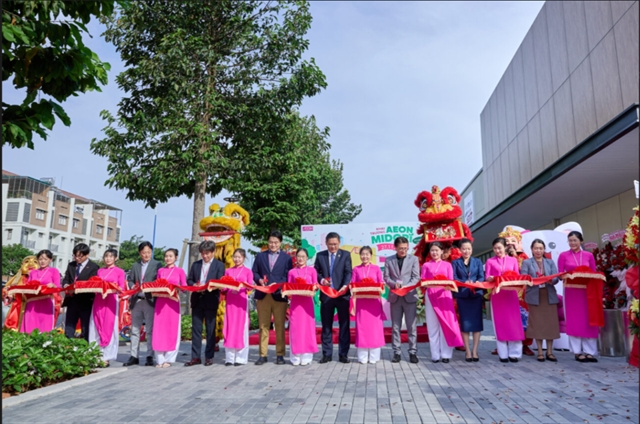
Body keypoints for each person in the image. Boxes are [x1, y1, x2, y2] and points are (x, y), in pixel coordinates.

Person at [252, 231, 293, 365]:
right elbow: (254, 272)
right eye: (271, 242)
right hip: (263, 295)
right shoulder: (260, 256)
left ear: (280, 243)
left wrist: (277, 283)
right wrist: (259, 280)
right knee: (263, 326)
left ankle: (280, 355)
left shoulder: (286, 258)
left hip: (278, 295)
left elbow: (288, 275)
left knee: (280, 326)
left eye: (276, 242)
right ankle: (262, 355)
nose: (273, 244)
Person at [557, 231, 599, 363]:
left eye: (575, 240)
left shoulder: (589, 255)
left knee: (588, 319)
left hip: (587, 291)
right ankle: (577, 352)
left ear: (581, 241)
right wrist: (565, 275)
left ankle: (590, 352)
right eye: (570, 240)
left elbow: (594, 273)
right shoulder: (563, 255)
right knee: (575, 320)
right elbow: (560, 274)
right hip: (571, 291)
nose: (572, 243)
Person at [314, 232, 353, 363]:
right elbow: (316, 272)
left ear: (339, 243)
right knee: (326, 326)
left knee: (344, 325)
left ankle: (343, 354)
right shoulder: (320, 256)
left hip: (342, 295)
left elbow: (348, 272)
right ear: (326, 243)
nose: (333, 247)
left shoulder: (345, 255)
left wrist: (345, 286)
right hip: (326, 295)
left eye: (335, 244)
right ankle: (327, 354)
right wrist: (322, 280)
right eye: (330, 244)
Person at [421, 242, 463, 363]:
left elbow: (451, 281)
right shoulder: (426, 265)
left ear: (441, 251)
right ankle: (435, 355)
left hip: (444, 296)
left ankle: (446, 354)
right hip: (431, 295)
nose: (434, 253)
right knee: (432, 325)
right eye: (432, 250)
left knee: (445, 324)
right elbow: (423, 282)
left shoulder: (447, 265)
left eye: (436, 250)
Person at [186, 240, 225, 366]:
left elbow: (220, 282)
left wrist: (208, 286)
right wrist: (194, 285)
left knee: (210, 329)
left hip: (211, 299)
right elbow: (189, 280)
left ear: (213, 252)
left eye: (207, 253)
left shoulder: (219, 265)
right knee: (196, 330)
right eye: (203, 253)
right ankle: (195, 357)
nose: (205, 256)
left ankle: (209, 356)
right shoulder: (196, 264)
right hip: (197, 299)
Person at [521, 239, 560, 362]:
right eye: (536, 248)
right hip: (534, 295)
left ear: (544, 250)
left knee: (550, 324)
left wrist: (550, 280)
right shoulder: (527, 262)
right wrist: (536, 280)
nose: (538, 251)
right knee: (537, 324)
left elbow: (556, 278)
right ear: (532, 249)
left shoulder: (550, 262)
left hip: (548, 295)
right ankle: (539, 351)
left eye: (541, 248)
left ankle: (550, 352)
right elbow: (524, 277)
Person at [123, 241, 162, 367]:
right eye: (144, 253)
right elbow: (130, 280)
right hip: (137, 300)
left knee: (150, 330)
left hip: (150, 300)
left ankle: (149, 356)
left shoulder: (157, 265)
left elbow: (159, 281)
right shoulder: (135, 265)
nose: (146, 255)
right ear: (140, 253)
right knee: (135, 330)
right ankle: (134, 356)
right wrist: (132, 285)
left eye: (148, 252)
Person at [485, 237, 523, 363]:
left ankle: (515, 353)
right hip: (497, 294)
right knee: (500, 323)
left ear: (505, 247)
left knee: (513, 323)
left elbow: (517, 276)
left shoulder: (513, 260)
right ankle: (503, 354)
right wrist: (491, 278)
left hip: (511, 294)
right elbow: (487, 277)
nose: (497, 251)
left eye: (499, 248)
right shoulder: (490, 261)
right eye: (495, 248)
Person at [383, 236, 420, 364]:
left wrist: (406, 286)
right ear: (395, 248)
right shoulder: (389, 260)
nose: (403, 250)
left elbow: (416, 277)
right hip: (395, 297)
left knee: (411, 326)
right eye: (400, 248)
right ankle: (396, 352)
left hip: (409, 296)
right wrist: (394, 284)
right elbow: (386, 277)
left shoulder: (414, 259)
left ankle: (413, 352)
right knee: (395, 326)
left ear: (408, 247)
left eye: (405, 248)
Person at [89, 249, 126, 366]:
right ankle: (95, 355)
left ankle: (107, 357)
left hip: (111, 301)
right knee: (96, 326)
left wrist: (111, 288)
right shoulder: (100, 271)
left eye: (111, 256)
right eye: (106, 256)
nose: (108, 259)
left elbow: (121, 288)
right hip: (98, 300)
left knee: (109, 326)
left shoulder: (120, 272)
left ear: (115, 258)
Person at [452, 238, 485, 362]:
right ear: (460, 250)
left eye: (468, 249)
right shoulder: (455, 263)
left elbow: (482, 276)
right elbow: (453, 277)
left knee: (477, 324)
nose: (466, 251)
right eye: (464, 249)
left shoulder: (477, 261)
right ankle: (467, 351)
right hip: (463, 296)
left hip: (476, 295)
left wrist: (476, 283)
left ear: (472, 249)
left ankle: (475, 351)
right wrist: (464, 282)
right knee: (465, 324)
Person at [351, 246, 385, 364]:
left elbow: (381, 282)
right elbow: (353, 284)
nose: (365, 256)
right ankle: (363, 357)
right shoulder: (356, 269)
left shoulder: (376, 269)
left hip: (374, 303)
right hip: (361, 303)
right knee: (362, 328)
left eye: (367, 254)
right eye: (362, 254)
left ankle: (374, 357)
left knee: (375, 329)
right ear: (359, 255)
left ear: (371, 255)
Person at [153, 248, 186, 368]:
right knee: (159, 329)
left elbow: (184, 287)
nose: (168, 258)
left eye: (170, 256)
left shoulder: (180, 271)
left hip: (173, 303)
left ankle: (169, 359)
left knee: (172, 329)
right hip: (160, 303)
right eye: (166, 256)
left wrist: (177, 288)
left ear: (176, 258)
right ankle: (159, 359)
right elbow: (156, 284)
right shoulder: (160, 270)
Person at [287, 248, 319, 366]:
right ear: (295, 257)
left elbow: (315, 284)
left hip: (307, 304)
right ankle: (295, 356)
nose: (300, 259)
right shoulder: (291, 272)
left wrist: (315, 288)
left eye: (303, 256)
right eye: (298, 256)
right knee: (295, 328)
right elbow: (289, 287)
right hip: (296, 303)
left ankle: (306, 356)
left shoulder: (312, 271)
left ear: (307, 258)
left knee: (307, 329)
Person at [62, 243, 99, 341]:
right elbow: (66, 278)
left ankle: (85, 346)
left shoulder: (94, 267)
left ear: (87, 255)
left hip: (86, 300)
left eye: (80, 256)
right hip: (72, 299)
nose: (77, 258)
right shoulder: (71, 265)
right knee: (69, 326)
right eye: (75, 256)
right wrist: (66, 285)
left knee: (85, 327)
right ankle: (68, 345)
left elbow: (93, 284)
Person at [223, 248, 253, 366]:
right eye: (235, 257)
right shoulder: (228, 271)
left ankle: (240, 358)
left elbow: (250, 287)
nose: (237, 259)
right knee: (230, 327)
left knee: (241, 328)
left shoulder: (248, 272)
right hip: (230, 301)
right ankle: (229, 358)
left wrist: (240, 287)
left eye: (239, 257)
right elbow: (224, 286)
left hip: (241, 301)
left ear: (244, 258)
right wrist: (225, 287)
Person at [20, 250, 60, 333]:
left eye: (45, 259)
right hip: (32, 302)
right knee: (30, 324)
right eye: (40, 259)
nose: (42, 261)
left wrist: (53, 285)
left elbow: (58, 287)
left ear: (50, 260)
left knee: (44, 326)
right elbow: (28, 286)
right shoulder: (33, 272)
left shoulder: (54, 271)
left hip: (46, 301)